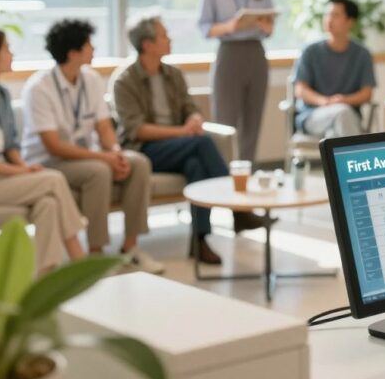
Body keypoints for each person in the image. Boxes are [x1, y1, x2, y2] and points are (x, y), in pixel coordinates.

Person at [111, 16, 269, 266]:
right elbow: (136, 130)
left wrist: (194, 119)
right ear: (148, 44)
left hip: (180, 147)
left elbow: (189, 107)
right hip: (144, 151)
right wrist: (183, 132)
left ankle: (199, 241)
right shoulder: (124, 81)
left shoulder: (172, 74)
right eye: (164, 35)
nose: (170, 39)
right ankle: (239, 209)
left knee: (196, 165)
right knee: (202, 143)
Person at [21, 19, 162, 273]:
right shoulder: (39, 88)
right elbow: (54, 146)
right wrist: (103, 159)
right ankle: (95, 256)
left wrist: (116, 153)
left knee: (137, 163)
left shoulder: (91, 80)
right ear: (73, 53)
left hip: (89, 154)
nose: (94, 49)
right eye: (88, 45)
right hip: (50, 162)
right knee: (98, 171)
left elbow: (104, 127)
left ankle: (130, 247)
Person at [0, 29, 86, 274]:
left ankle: (45, 278)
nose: (12, 54)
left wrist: (24, 168)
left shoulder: (1, 95)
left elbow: (11, 145)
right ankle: (80, 261)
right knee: (53, 179)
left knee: (47, 204)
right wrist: (18, 172)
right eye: (6, 49)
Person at [198, 0, 274, 163]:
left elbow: (270, 24)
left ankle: (247, 178)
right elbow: (204, 27)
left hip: (256, 53)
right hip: (229, 54)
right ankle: (223, 178)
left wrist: (265, 25)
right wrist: (231, 26)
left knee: (253, 123)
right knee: (226, 122)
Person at [294, 0, 376, 138]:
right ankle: (358, 158)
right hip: (314, 115)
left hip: (348, 116)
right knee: (341, 113)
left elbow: (366, 94)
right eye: (327, 14)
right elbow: (301, 90)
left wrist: (343, 100)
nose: (329, 19)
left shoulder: (362, 54)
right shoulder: (310, 51)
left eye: (335, 15)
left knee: (334, 134)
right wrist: (325, 102)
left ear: (350, 21)